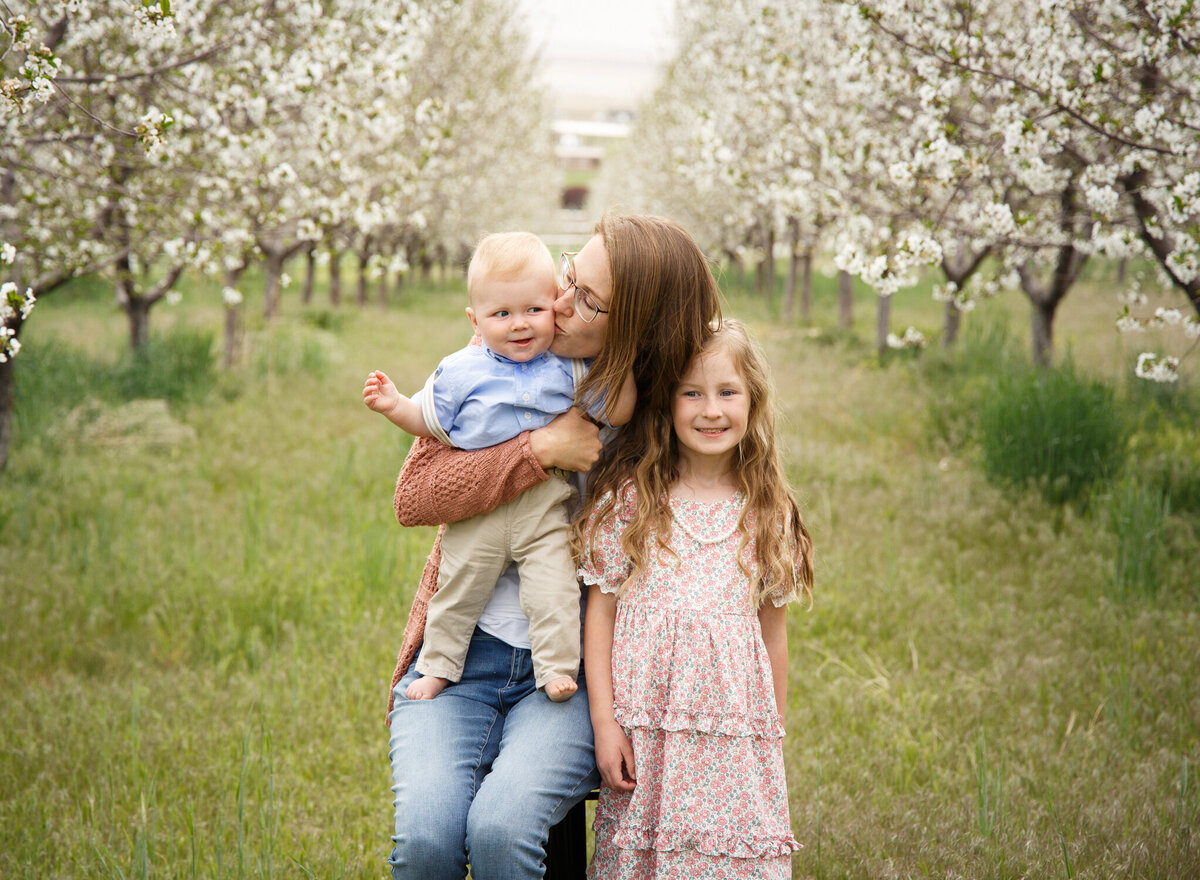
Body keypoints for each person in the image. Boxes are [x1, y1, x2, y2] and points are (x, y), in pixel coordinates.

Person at [384, 213, 723, 880]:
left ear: (638, 331)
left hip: (569, 674)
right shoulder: (501, 357)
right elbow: (416, 496)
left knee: (501, 830)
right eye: (570, 274)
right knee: (426, 842)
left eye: (587, 298)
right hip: (460, 660)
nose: (558, 301)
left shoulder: (665, 421)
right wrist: (536, 449)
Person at [577, 319, 814, 879]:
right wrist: (605, 723)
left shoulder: (766, 512)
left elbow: (772, 631)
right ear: (666, 403)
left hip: (731, 736)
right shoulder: (632, 502)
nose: (711, 410)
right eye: (693, 393)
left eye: (727, 392)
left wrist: (769, 735)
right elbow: (601, 614)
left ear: (753, 401)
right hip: (648, 731)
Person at [363, 232, 635, 703]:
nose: (519, 325)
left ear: (552, 302)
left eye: (534, 309)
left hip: (544, 510)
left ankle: (555, 670)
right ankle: (439, 666)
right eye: (501, 315)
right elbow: (428, 423)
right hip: (480, 512)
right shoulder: (462, 370)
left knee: (553, 590)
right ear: (476, 319)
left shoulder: (568, 368)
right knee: (458, 588)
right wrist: (395, 405)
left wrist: (625, 359)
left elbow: (619, 408)